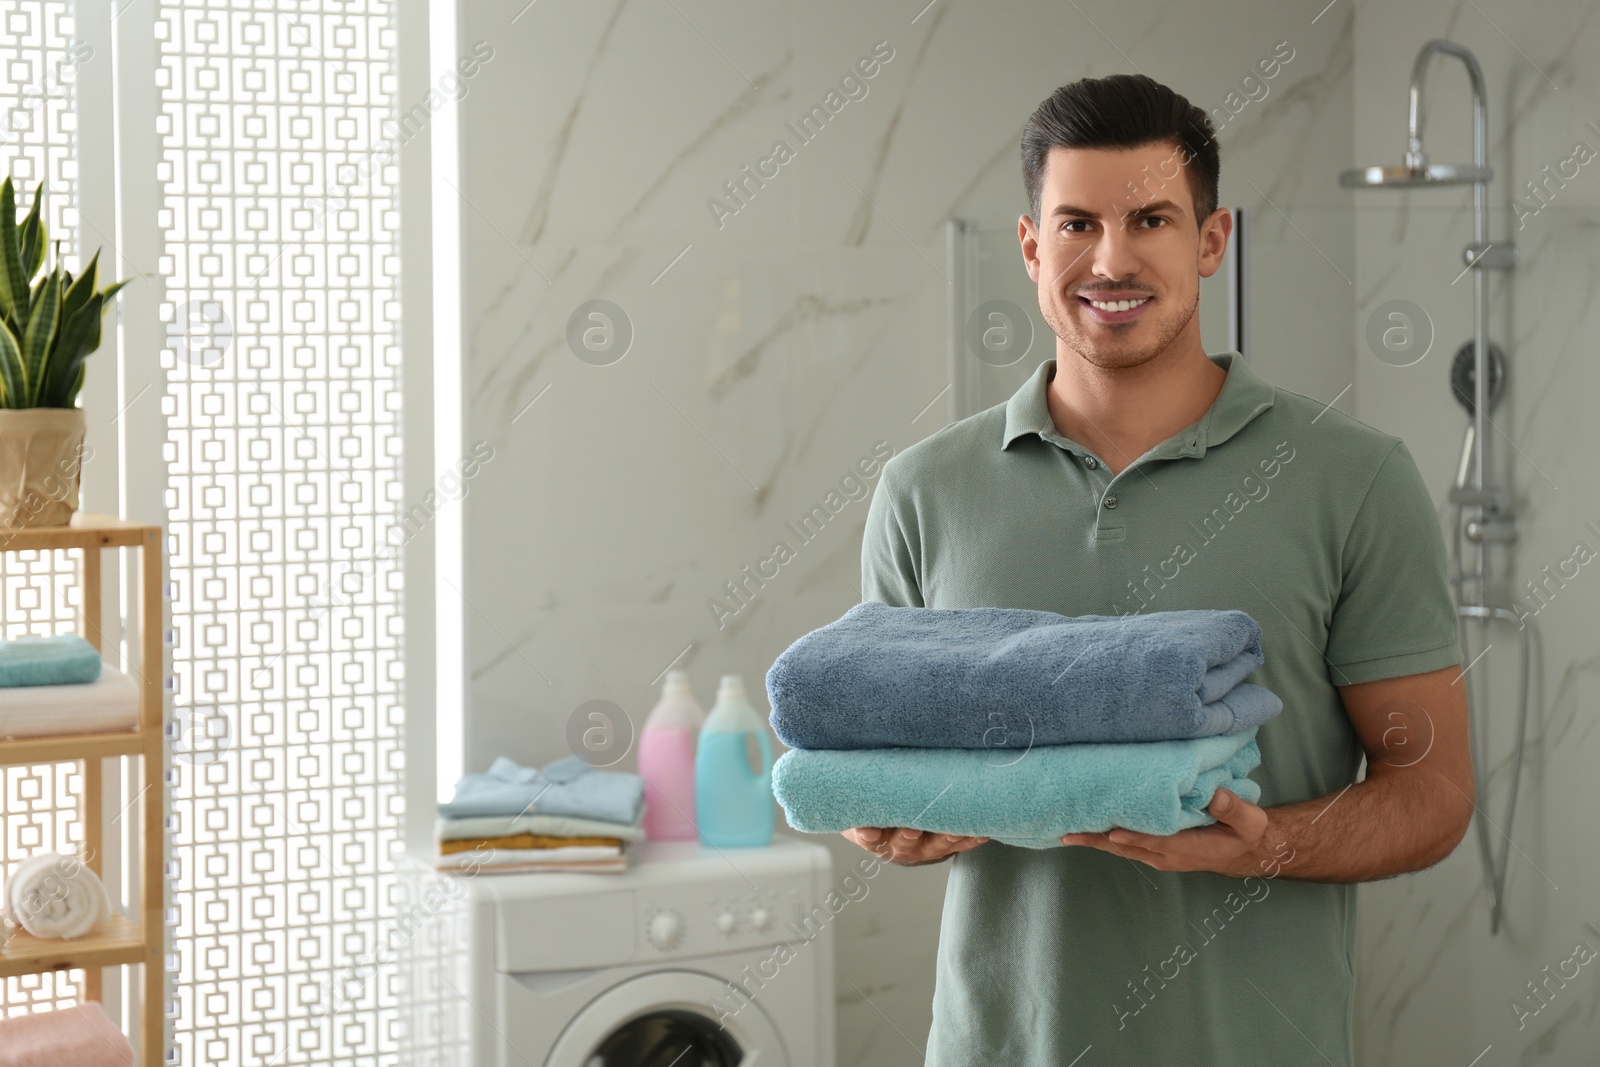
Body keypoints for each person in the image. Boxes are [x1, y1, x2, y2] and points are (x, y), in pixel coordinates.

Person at [844, 73, 1474, 1066]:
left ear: (1211, 240)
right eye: (1076, 223)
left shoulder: (1352, 478)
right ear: (1028, 246)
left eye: (1150, 218)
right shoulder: (924, 490)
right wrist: (882, 818)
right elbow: (877, 753)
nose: (1111, 258)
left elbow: (1432, 791)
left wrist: (1271, 843)